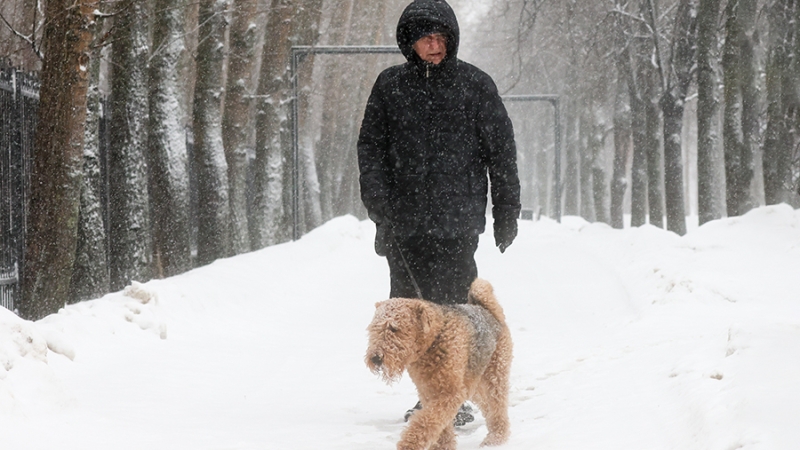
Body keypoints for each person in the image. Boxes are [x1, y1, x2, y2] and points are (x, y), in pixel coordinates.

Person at [357, 0, 520, 425]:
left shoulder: (474, 85)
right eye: (426, 37)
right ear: (409, 42)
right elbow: (370, 150)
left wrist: (507, 211)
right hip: (402, 223)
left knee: (452, 312)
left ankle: (455, 397)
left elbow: (500, 153)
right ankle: (426, 395)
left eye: (442, 37)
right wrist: (379, 204)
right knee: (409, 313)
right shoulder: (389, 86)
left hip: (456, 222)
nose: (435, 45)